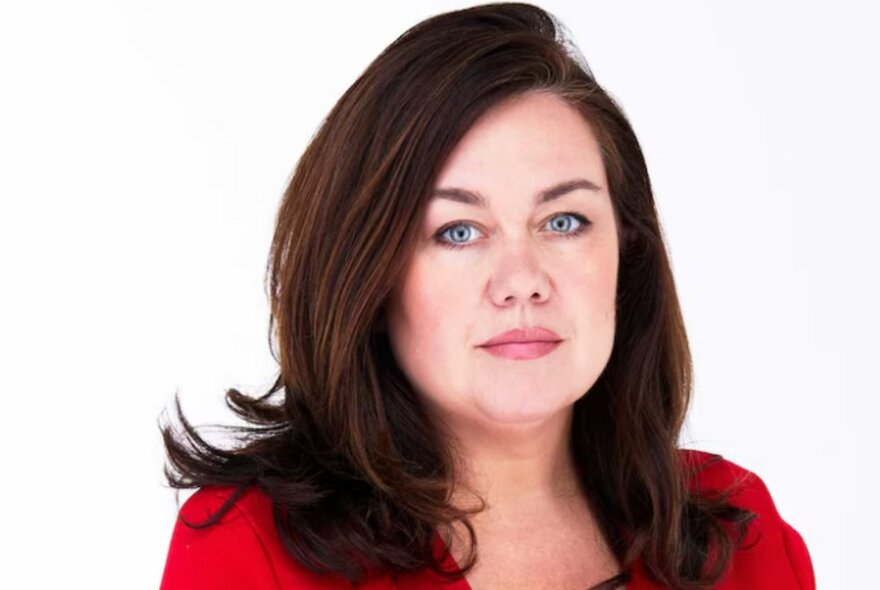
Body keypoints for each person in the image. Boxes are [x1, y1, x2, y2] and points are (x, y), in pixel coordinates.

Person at [158, 3, 815, 589]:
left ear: (627, 256)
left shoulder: (742, 542)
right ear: (371, 276)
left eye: (564, 222)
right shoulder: (253, 553)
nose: (522, 279)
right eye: (459, 231)